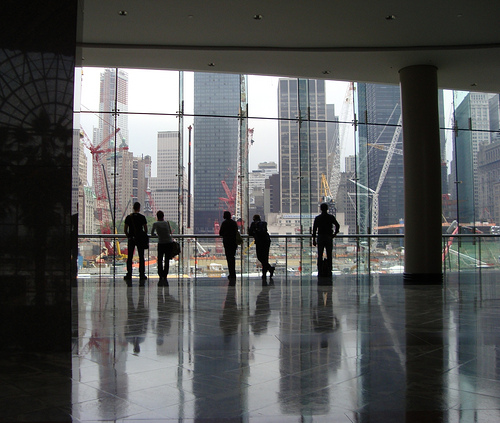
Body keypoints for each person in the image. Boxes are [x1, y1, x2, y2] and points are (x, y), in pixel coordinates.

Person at [312, 203, 340, 278]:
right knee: (329, 254)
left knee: (320, 254)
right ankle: (329, 269)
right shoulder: (331, 217)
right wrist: (335, 234)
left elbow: (314, 229)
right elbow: (337, 225)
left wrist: (314, 239)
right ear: (327, 209)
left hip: (320, 237)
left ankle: (320, 269)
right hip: (328, 237)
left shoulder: (318, 218)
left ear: (320, 209)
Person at [124, 202, 148, 284]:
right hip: (140, 239)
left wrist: (129, 236)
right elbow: (146, 229)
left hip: (131, 239)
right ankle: (142, 274)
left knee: (130, 256)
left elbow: (125, 229)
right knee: (141, 256)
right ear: (139, 208)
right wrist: (142, 235)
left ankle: (129, 273)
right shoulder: (142, 217)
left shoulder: (128, 217)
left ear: (133, 207)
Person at [151, 210, 174, 287]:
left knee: (160, 259)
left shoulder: (155, 224)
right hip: (168, 243)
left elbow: (152, 233)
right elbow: (170, 232)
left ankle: (160, 274)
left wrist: (157, 234)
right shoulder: (167, 223)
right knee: (167, 260)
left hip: (161, 243)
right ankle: (165, 274)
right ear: (163, 216)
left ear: (157, 217)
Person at [248, 214, 275, 280]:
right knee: (265, 257)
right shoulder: (264, 223)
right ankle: (265, 273)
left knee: (260, 257)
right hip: (266, 241)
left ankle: (269, 269)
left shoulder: (253, 224)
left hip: (259, 242)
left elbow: (250, 233)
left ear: (254, 219)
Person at [219, 210, 239, 283]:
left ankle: (231, 273)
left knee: (229, 258)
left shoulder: (224, 223)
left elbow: (220, 233)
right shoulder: (234, 223)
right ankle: (233, 273)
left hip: (227, 242)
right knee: (232, 257)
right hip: (234, 242)